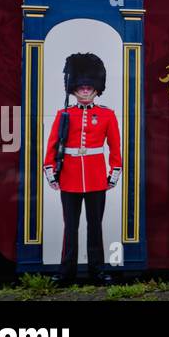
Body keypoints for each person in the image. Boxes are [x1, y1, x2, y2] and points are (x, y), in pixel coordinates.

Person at [44, 53, 122, 285]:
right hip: (69, 177)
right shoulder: (64, 114)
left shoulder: (107, 115)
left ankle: (97, 271)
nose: (86, 91)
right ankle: (66, 272)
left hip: (97, 177)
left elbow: (115, 147)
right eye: (81, 87)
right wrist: (51, 171)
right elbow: (53, 145)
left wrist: (114, 171)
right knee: (71, 227)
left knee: (95, 226)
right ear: (73, 89)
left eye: (90, 87)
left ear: (97, 89)